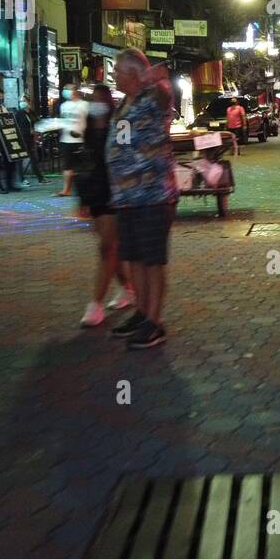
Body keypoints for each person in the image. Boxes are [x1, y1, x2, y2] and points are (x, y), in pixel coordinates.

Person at [106, 49, 178, 350]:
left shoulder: (153, 97)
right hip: (127, 198)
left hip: (152, 195)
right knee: (135, 258)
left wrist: (159, 76)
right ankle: (141, 313)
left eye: (119, 71)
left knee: (152, 262)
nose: (114, 76)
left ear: (135, 74)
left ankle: (154, 322)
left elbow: (165, 91)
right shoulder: (124, 102)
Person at [75, 84, 135, 327]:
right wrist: (83, 199)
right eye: (93, 99)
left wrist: (122, 190)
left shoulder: (119, 124)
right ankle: (128, 289)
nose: (96, 104)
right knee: (112, 250)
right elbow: (85, 165)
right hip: (96, 193)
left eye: (101, 99)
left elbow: (127, 157)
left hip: (115, 193)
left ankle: (95, 305)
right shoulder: (88, 130)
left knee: (106, 248)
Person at [56, 84, 88, 197]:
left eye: (67, 89)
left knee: (81, 167)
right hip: (66, 139)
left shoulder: (85, 105)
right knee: (67, 166)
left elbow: (88, 121)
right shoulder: (63, 106)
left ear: (75, 91)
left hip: (80, 140)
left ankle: (82, 189)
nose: (65, 91)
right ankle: (66, 189)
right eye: (64, 89)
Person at [14, 99, 46, 187]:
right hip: (22, 138)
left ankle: (40, 178)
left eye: (24, 100)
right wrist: (28, 131)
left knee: (34, 158)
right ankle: (22, 179)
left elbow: (37, 122)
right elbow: (16, 125)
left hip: (31, 138)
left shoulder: (31, 112)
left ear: (28, 102)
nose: (22, 102)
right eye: (20, 101)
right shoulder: (19, 113)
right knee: (21, 159)